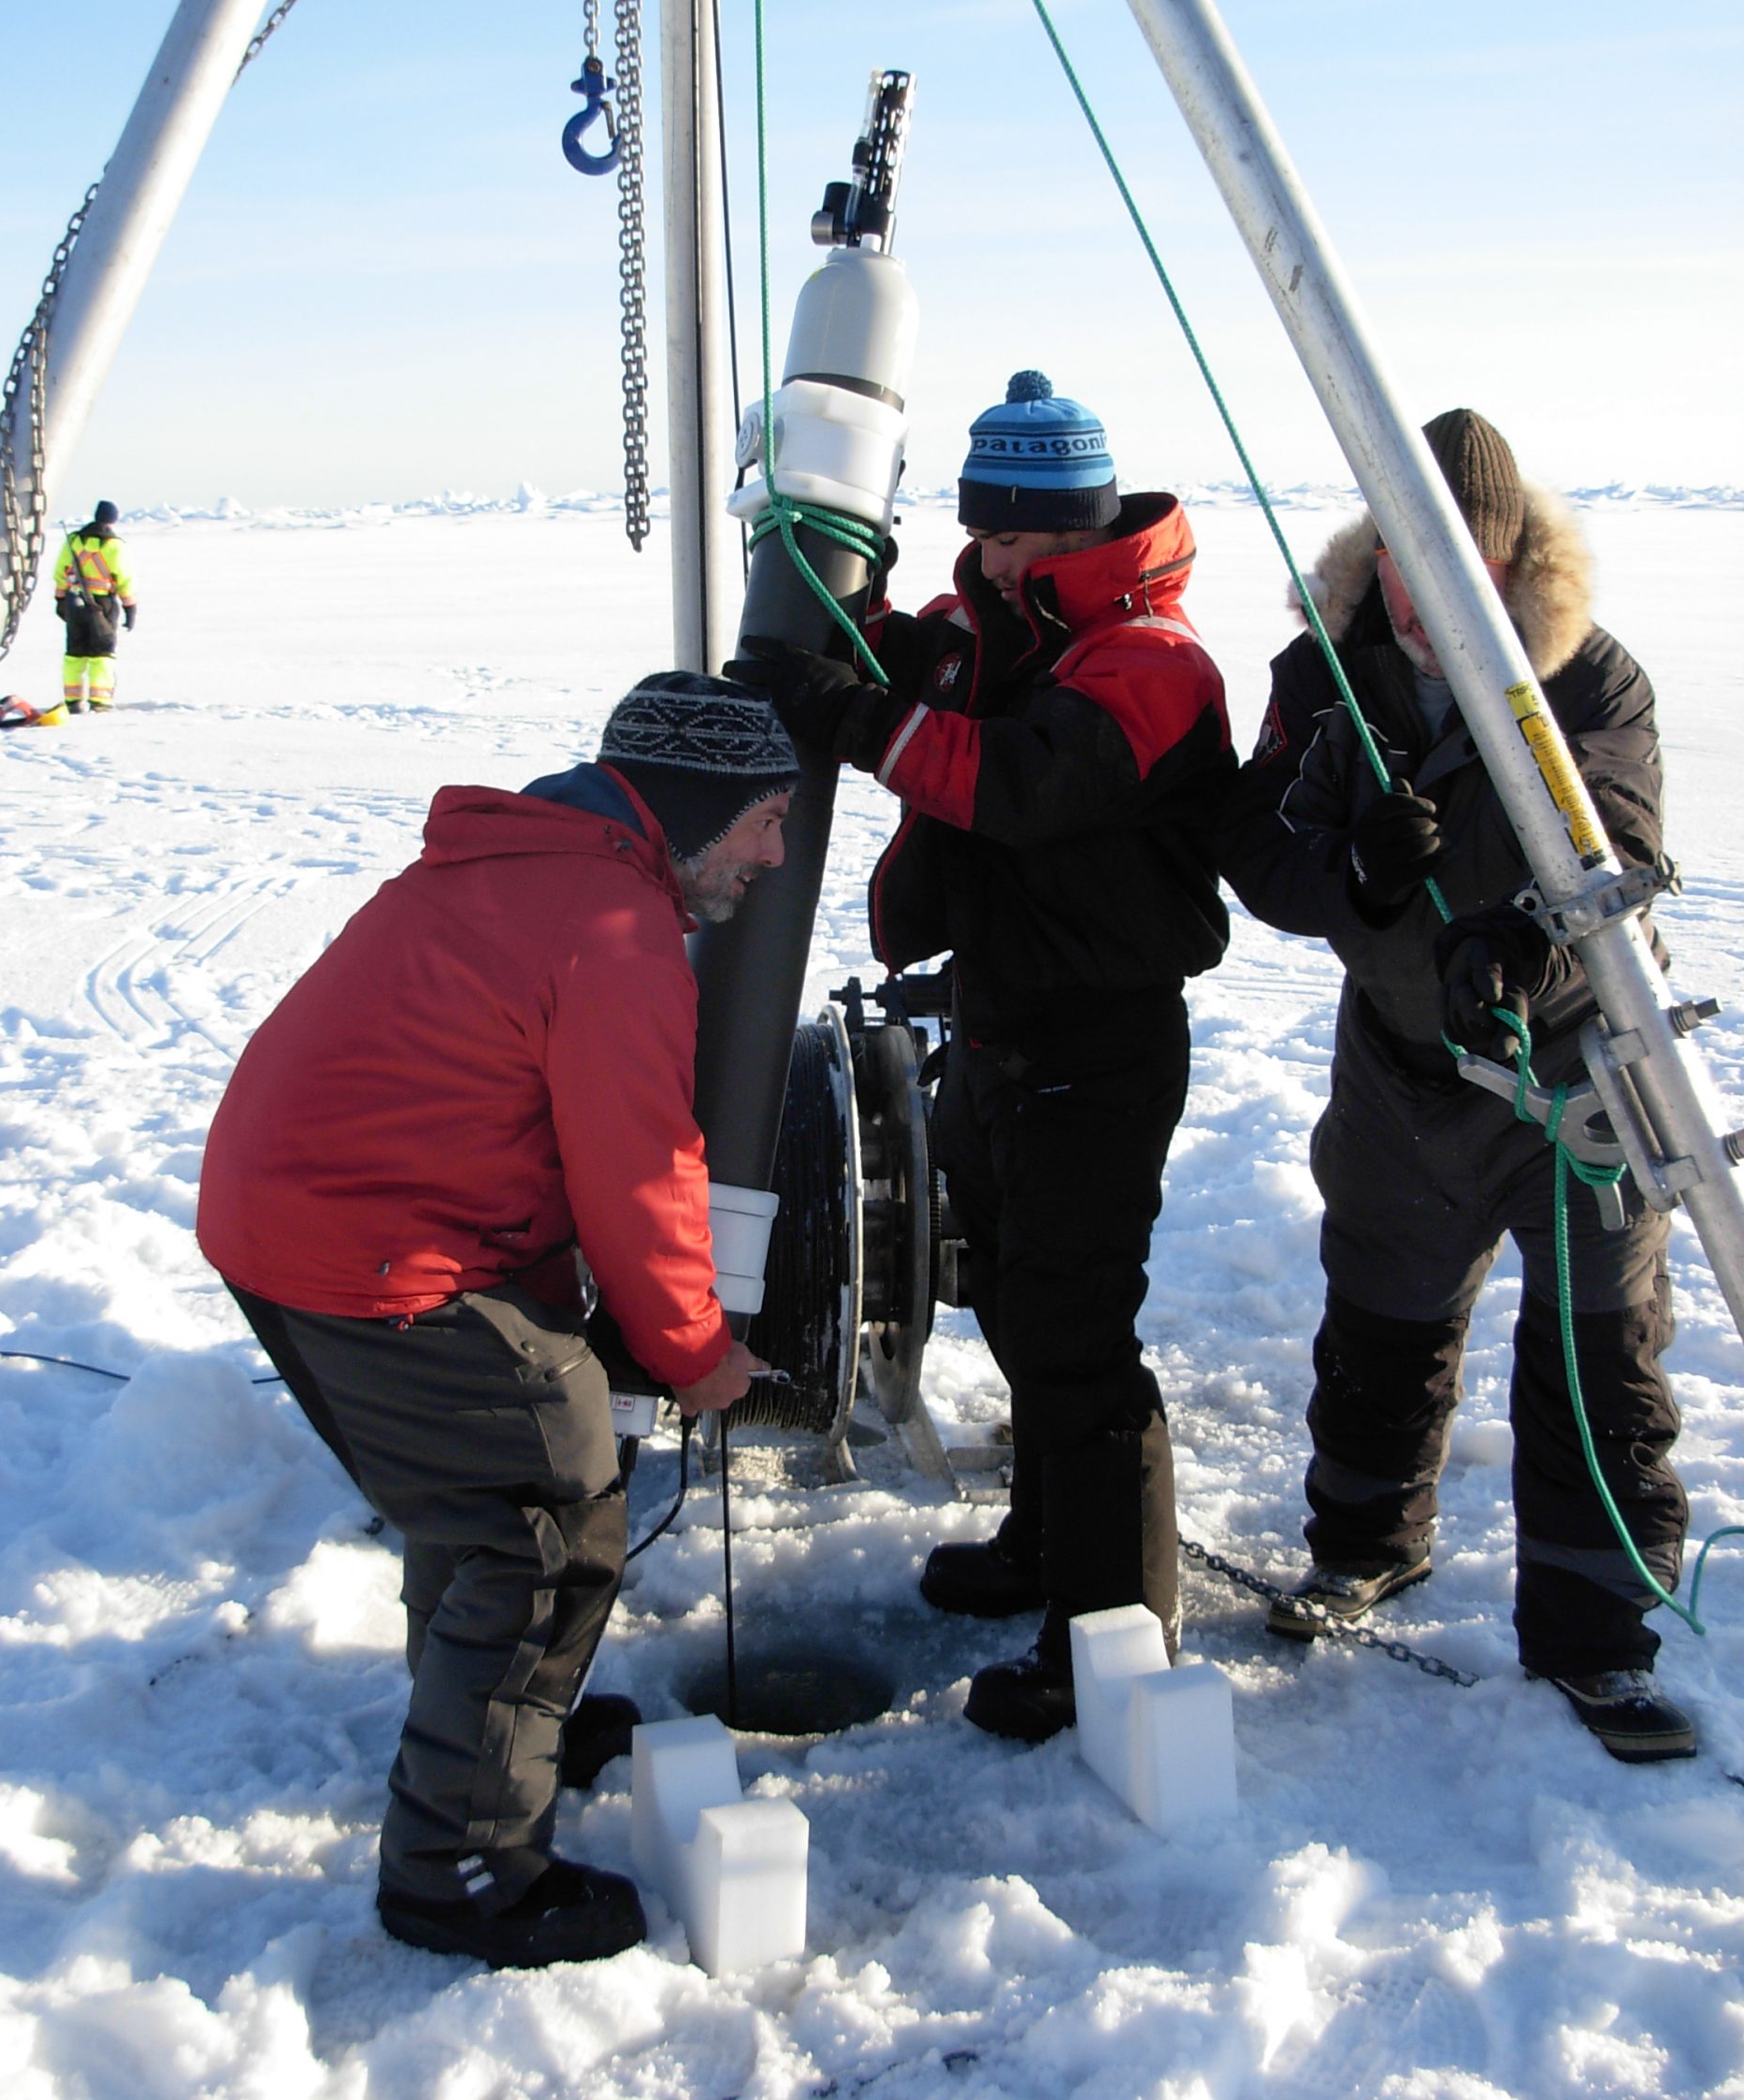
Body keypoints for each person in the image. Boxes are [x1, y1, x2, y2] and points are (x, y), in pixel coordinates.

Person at [196, 671, 796, 1965]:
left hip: (300, 1220)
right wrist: (695, 1353)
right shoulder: (614, 929)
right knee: (546, 1520)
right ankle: (462, 1867)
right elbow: (642, 1175)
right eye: (764, 820)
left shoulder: (533, 864)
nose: (778, 854)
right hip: (364, 1246)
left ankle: (501, 1730)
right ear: (694, 811)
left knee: (488, 1495)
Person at [735, 369, 1234, 1742]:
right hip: (1005, 1022)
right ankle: (1040, 1548)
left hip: (1104, 1037)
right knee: (1013, 1302)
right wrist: (824, 590)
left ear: (1074, 524)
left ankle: (1112, 1645)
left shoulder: (1154, 661)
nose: (992, 554)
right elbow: (913, 655)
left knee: (1079, 1343)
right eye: (979, 529)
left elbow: (1014, 785)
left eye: (1014, 533)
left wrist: (848, 716)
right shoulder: (990, 621)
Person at [1220, 407, 1694, 1763]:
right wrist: (1352, 876)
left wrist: (1523, 935)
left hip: (1576, 1077)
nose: (1434, 612)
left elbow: (1627, 847)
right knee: (1381, 1322)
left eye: (1469, 579)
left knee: (1597, 1353)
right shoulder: (1326, 674)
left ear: (1513, 570)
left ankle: (1599, 1642)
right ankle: (1367, 1544)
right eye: (1411, 578)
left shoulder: (1594, 682)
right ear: (1381, 560)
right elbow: (1258, 846)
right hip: (1400, 1070)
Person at [52, 499, 137, 712]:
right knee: (102, 653)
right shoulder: (114, 545)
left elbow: (60, 572)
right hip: (102, 604)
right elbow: (124, 578)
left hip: (75, 601)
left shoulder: (73, 541)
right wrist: (130, 607)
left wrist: (60, 599)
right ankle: (100, 701)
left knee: (75, 651)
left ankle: (73, 701)